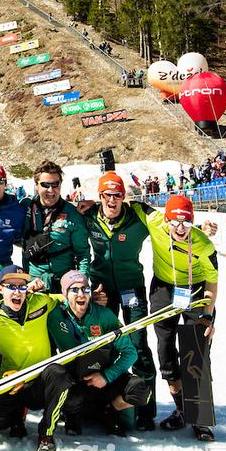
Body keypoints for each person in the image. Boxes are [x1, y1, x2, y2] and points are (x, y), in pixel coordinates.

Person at [75, 172, 159, 430]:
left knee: (138, 344)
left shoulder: (138, 218)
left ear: (125, 197)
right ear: (99, 197)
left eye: (118, 195)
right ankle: (108, 402)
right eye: (107, 195)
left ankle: (146, 410)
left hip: (131, 287)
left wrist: (204, 228)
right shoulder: (88, 217)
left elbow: (169, 222)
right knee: (104, 345)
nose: (112, 200)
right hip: (102, 288)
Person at [0, 265, 73, 451]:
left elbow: (68, 299)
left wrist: (88, 297)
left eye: (22, 286)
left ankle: (46, 433)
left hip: (39, 382)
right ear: (0, 289)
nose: (17, 292)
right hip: (12, 382)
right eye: (11, 286)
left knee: (59, 374)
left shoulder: (41, 302)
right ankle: (17, 417)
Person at [143, 195, 218, 441]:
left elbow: (211, 283)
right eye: (174, 222)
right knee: (165, 352)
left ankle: (201, 419)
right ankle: (182, 408)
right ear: (166, 220)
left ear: (192, 223)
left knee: (195, 351)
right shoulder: (154, 221)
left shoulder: (204, 244)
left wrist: (207, 316)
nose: (179, 228)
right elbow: (131, 206)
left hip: (195, 291)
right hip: (163, 290)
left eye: (185, 223)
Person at [48, 270, 146, 437]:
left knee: (140, 391)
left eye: (85, 289)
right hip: (76, 381)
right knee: (68, 393)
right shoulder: (54, 316)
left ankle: (111, 410)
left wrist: (106, 376)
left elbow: (130, 353)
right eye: (74, 290)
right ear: (65, 294)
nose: (81, 294)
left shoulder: (104, 316)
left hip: (105, 378)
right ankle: (72, 415)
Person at [22, 160, 90, 290]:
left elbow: (83, 254)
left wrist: (81, 283)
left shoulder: (73, 214)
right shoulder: (25, 208)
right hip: (34, 281)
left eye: (55, 184)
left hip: (65, 282)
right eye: (45, 184)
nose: (50, 190)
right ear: (36, 185)